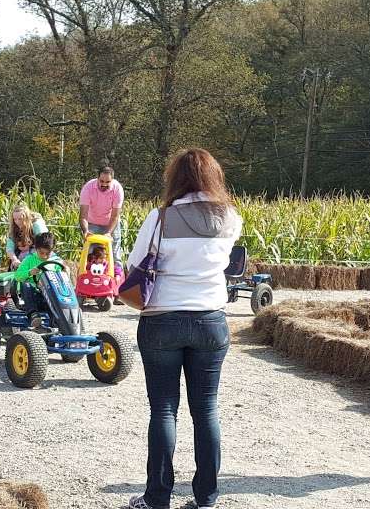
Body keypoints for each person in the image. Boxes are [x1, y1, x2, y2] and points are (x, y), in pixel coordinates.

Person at [126, 148, 242, 509]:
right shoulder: (230, 217)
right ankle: (206, 497)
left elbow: (134, 263)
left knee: (163, 409)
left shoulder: (160, 218)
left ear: (176, 178)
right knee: (206, 410)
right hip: (210, 319)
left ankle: (157, 498)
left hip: (162, 318)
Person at [79, 165, 124, 271]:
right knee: (91, 253)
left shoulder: (118, 189)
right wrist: (86, 230)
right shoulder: (88, 188)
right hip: (92, 222)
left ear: (112, 180)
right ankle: (87, 276)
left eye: (107, 182)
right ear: (97, 178)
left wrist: (108, 232)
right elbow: (83, 215)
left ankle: (117, 277)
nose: (104, 184)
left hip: (110, 223)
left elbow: (115, 215)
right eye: (101, 181)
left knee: (114, 253)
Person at [6, 231, 62, 315]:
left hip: (51, 296)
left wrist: (65, 271)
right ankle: (33, 313)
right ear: (36, 248)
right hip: (34, 295)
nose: (44, 256)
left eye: (47, 253)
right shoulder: (29, 259)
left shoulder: (55, 262)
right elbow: (17, 276)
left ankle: (61, 315)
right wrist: (30, 272)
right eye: (41, 253)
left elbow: (61, 277)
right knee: (26, 285)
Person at [5, 203, 48, 270]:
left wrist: (31, 249)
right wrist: (14, 260)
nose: (17, 222)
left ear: (27, 217)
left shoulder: (37, 225)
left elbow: (45, 242)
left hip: (38, 254)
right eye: (15, 219)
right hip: (21, 256)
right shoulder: (14, 228)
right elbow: (9, 248)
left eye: (20, 219)